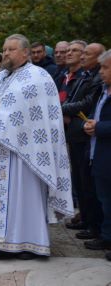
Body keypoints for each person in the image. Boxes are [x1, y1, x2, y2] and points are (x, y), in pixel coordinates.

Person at [0, 34, 74, 259]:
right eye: (4, 49)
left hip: (24, 154)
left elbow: (42, 118)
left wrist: (10, 133)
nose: (6, 53)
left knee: (21, 199)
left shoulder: (38, 77)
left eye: (11, 49)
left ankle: (26, 242)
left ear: (25, 53)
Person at [62, 43, 105, 236]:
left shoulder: (96, 79)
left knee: (88, 184)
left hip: (85, 135)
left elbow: (87, 103)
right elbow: (72, 98)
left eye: (86, 54)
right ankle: (87, 219)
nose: (81, 58)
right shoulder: (85, 76)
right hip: (77, 134)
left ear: (99, 57)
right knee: (80, 181)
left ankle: (95, 226)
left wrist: (61, 108)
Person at [83, 50, 111, 262]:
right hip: (98, 154)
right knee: (104, 200)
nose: (101, 72)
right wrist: (91, 122)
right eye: (101, 67)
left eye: (106, 68)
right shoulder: (104, 90)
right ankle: (106, 236)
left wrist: (99, 127)